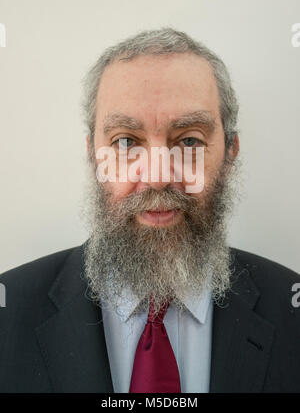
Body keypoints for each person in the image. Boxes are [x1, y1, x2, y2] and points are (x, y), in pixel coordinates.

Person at [0, 28, 299, 393]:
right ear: (93, 154)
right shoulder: (7, 311)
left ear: (230, 153)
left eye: (189, 140)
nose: (157, 176)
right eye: (126, 142)